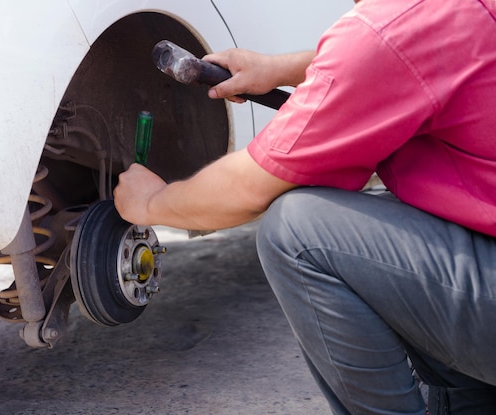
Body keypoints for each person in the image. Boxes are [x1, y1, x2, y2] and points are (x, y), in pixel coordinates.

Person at [114, 0, 496, 413]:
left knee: (298, 233)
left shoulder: (394, 27)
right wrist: (284, 69)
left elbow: (248, 188)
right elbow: (415, 50)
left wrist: (151, 202)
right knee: (406, 228)